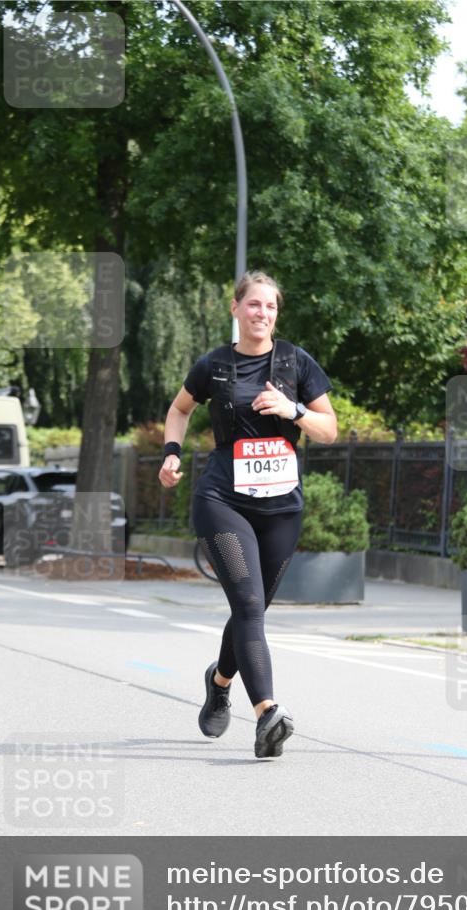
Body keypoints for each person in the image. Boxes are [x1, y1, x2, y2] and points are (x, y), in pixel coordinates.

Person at [158, 271, 337, 758]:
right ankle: (267, 715)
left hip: (281, 508)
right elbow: (179, 409)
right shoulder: (214, 365)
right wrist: (172, 453)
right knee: (250, 606)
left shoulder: (296, 362)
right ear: (235, 308)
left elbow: (329, 431)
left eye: (271, 307)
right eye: (254, 305)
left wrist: (292, 408)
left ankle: (219, 683)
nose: (262, 313)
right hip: (224, 501)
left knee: (250, 610)